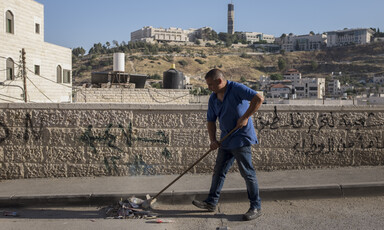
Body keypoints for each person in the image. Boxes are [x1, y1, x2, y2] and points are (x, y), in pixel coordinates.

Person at [192, 69, 264, 221]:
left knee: (247, 173)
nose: (209, 87)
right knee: (219, 171)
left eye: (211, 84)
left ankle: (256, 207)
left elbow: (258, 98)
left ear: (219, 81)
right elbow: (210, 120)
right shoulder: (213, 98)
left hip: (241, 138)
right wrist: (213, 140)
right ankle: (211, 202)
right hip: (225, 140)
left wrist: (245, 117)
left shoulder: (236, 88)